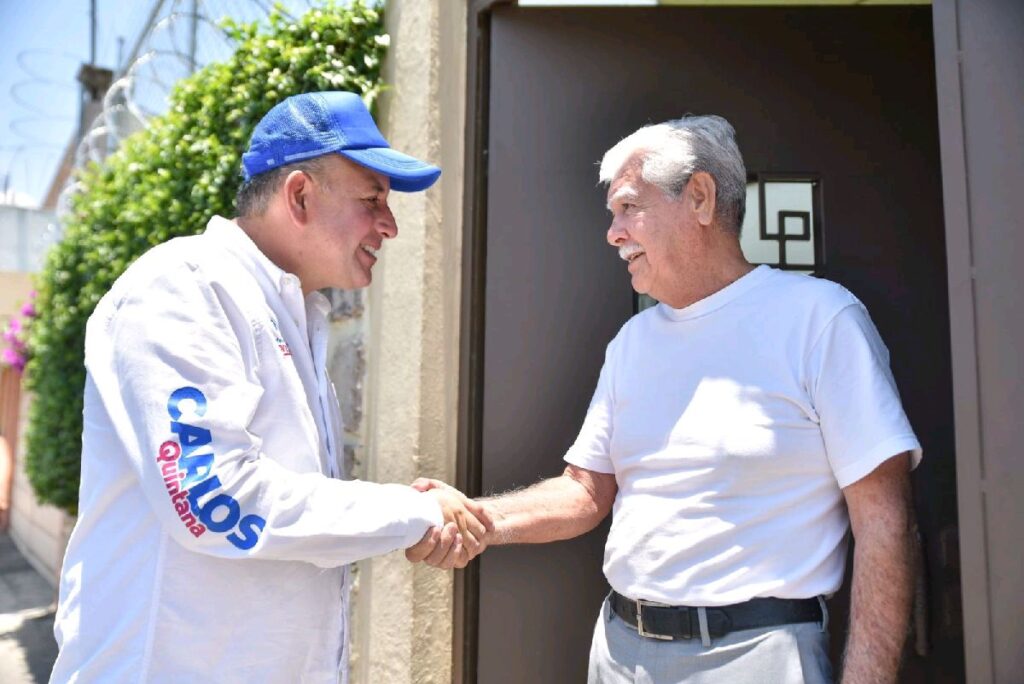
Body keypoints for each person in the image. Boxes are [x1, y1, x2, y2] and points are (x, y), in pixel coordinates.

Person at [408, 115, 920, 683]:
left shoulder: (821, 320)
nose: (613, 232)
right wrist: (480, 519)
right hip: (621, 655)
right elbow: (585, 490)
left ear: (699, 197)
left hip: (758, 659)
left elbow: (884, 523)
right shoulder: (634, 342)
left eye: (629, 207)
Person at [51, 91, 488, 684]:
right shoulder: (183, 288)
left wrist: (406, 514)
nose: (389, 224)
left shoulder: (295, 312)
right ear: (300, 195)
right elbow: (217, 500)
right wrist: (411, 510)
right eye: (372, 199)